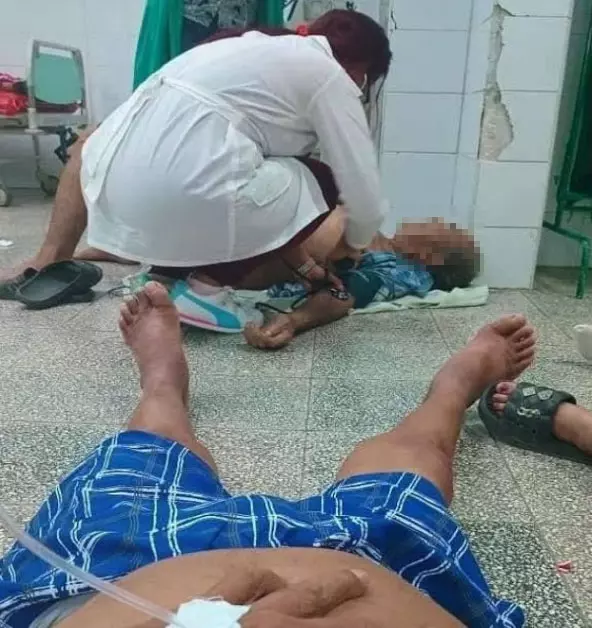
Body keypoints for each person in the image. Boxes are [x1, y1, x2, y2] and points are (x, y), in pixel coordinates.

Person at [0, 282, 536, 627]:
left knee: (143, 455)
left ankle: (162, 382)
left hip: (114, 564)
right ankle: (451, 391)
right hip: (388, 563)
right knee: (407, 478)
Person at [0, 10, 392, 335]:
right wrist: (353, 248)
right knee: (323, 180)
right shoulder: (328, 73)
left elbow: (266, 207)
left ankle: (161, 280)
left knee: (252, 182)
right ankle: (207, 293)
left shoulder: (245, 49)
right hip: (177, 189)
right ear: (361, 68)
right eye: (366, 81)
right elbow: (361, 190)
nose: (361, 89)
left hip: (110, 186)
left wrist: (305, 268)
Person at [243, 211, 479, 349]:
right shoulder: (380, 244)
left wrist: (294, 321)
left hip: (252, 262)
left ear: (431, 256)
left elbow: (346, 294)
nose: (431, 219)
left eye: (438, 226)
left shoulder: (396, 270)